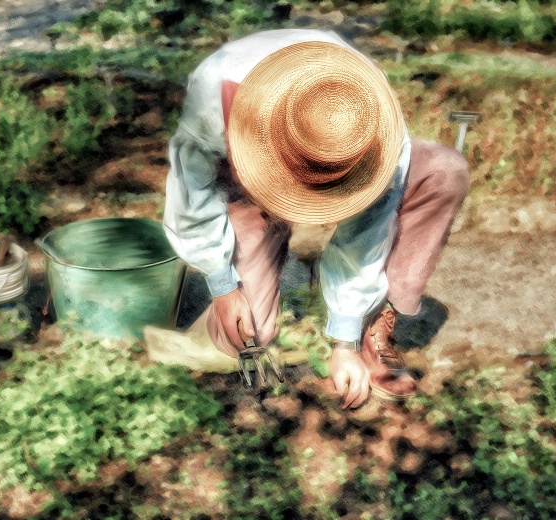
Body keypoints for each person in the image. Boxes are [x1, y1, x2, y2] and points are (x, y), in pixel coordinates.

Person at [160, 29, 469, 408]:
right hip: (242, 180)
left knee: (443, 169)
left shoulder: (365, 115)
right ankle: (262, 250)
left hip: (341, 163)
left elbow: (367, 235)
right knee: (248, 331)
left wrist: (345, 341)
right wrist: (223, 285)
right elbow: (190, 189)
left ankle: (374, 324)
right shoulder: (216, 90)